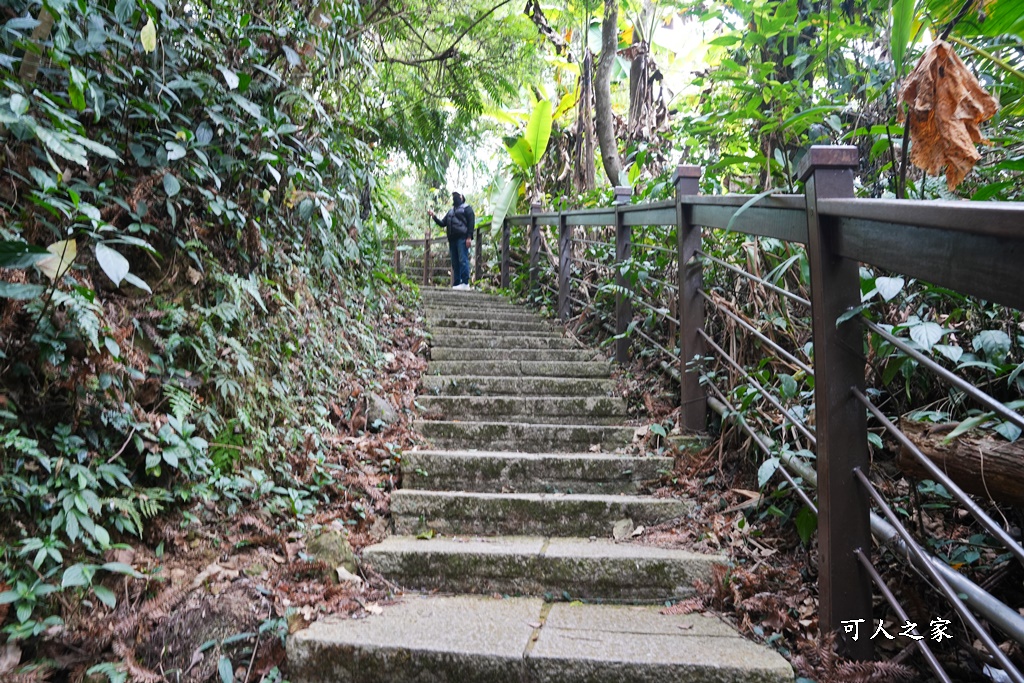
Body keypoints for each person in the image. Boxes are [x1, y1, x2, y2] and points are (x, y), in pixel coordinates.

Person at [428, 191, 474, 290]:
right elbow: (442, 223)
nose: (455, 198)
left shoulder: (467, 208)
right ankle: (457, 283)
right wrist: (434, 216)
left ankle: (465, 282)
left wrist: (469, 237)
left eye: (458, 196)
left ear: (462, 198)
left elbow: (471, 223)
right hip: (452, 239)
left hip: (462, 238)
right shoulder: (450, 212)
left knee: (463, 260)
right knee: (455, 262)